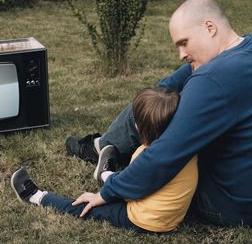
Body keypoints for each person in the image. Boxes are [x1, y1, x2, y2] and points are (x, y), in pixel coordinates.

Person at [65, 0, 252, 226]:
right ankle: (105, 145)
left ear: (209, 27)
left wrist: (108, 192)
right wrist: (159, 94)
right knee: (157, 97)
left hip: (236, 205)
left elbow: (164, 156)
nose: (181, 54)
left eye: (184, 43)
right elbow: (168, 85)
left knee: (160, 120)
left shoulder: (214, 79)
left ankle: (104, 149)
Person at [11, 87, 198, 233]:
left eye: (136, 121)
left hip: (146, 220)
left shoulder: (146, 156)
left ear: (142, 128)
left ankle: (36, 197)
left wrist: (98, 196)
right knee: (125, 177)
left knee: (85, 208)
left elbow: (127, 192)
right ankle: (105, 173)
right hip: (170, 217)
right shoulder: (187, 150)